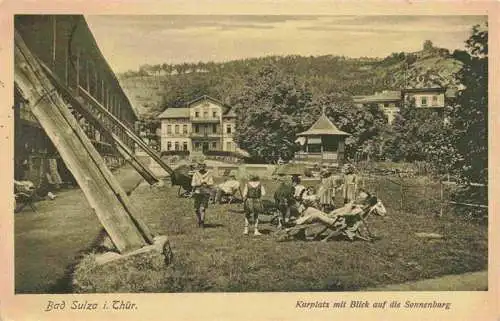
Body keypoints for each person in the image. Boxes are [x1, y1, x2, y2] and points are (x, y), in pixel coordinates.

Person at [191, 161, 214, 228]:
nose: (201, 167)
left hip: (206, 193)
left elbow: (211, 183)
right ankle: (199, 220)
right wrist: (199, 184)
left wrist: (206, 184)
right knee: (196, 209)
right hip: (198, 192)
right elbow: (193, 184)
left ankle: (202, 223)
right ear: (198, 166)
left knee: (203, 209)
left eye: (203, 166)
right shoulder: (196, 174)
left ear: (205, 166)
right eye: (200, 166)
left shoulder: (209, 173)